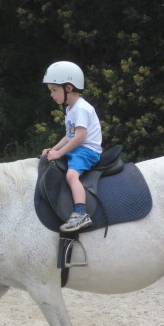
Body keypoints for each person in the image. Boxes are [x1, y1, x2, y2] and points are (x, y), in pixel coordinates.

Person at [41, 61, 103, 232]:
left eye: (54, 90)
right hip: (78, 147)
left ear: (68, 87)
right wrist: (53, 149)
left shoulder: (81, 109)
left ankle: (80, 213)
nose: (52, 95)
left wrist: (60, 153)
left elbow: (81, 137)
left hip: (87, 150)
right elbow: (69, 136)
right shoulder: (70, 109)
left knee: (71, 176)